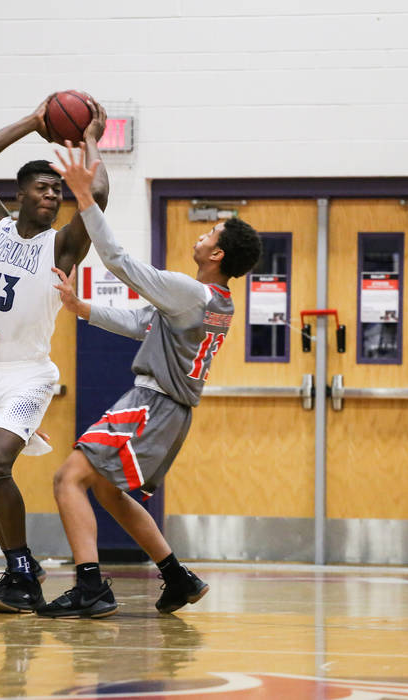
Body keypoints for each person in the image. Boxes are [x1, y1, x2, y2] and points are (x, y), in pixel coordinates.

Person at [36, 143, 261, 618]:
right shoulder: (218, 302)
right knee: (105, 490)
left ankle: (89, 587)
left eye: (209, 233)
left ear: (216, 253)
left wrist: (85, 199)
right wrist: (82, 309)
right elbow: (142, 324)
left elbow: (119, 261)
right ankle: (177, 577)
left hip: (151, 405)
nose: (201, 236)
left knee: (67, 479)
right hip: (169, 412)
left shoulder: (189, 291)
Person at [0, 94, 110, 613]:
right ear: (20, 194)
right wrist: (34, 122)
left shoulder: (62, 246)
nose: (53, 196)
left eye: (58, 190)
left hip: (28, 373)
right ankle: (20, 570)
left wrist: (88, 139)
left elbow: (98, 193)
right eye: (43, 188)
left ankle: (19, 570)